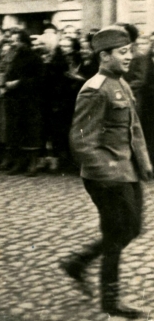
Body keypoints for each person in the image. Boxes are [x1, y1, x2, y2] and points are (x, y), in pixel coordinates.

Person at [63, 26, 151, 319]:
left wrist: (144, 162)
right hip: (106, 176)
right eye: (123, 52)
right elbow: (81, 140)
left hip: (127, 170)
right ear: (104, 55)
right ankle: (110, 300)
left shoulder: (121, 83)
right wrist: (107, 173)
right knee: (116, 234)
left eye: (130, 51)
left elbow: (133, 127)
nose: (130, 57)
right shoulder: (95, 89)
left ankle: (78, 262)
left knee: (132, 228)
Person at [3, 30, 44, 176]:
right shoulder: (14, 57)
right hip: (15, 100)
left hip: (30, 100)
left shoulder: (35, 58)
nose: (13, 43)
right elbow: (8, 73)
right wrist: (7, 83)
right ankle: (19, 162)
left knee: (31, 131)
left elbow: (39, 79)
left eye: (16, 41)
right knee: (16, 131)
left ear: (24, 42)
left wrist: (19, 83)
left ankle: (33, 164)